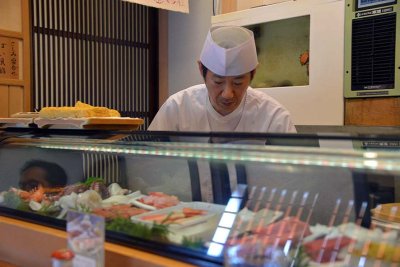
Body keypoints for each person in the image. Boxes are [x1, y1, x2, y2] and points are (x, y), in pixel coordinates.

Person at [148, 25, 296, 133]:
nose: (227, 94)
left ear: (254, 73)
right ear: (201, 70)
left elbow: (293, 173)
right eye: (218, 82)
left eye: (238, 82)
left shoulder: (273, 116)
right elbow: (147, 164)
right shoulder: (177, 108)